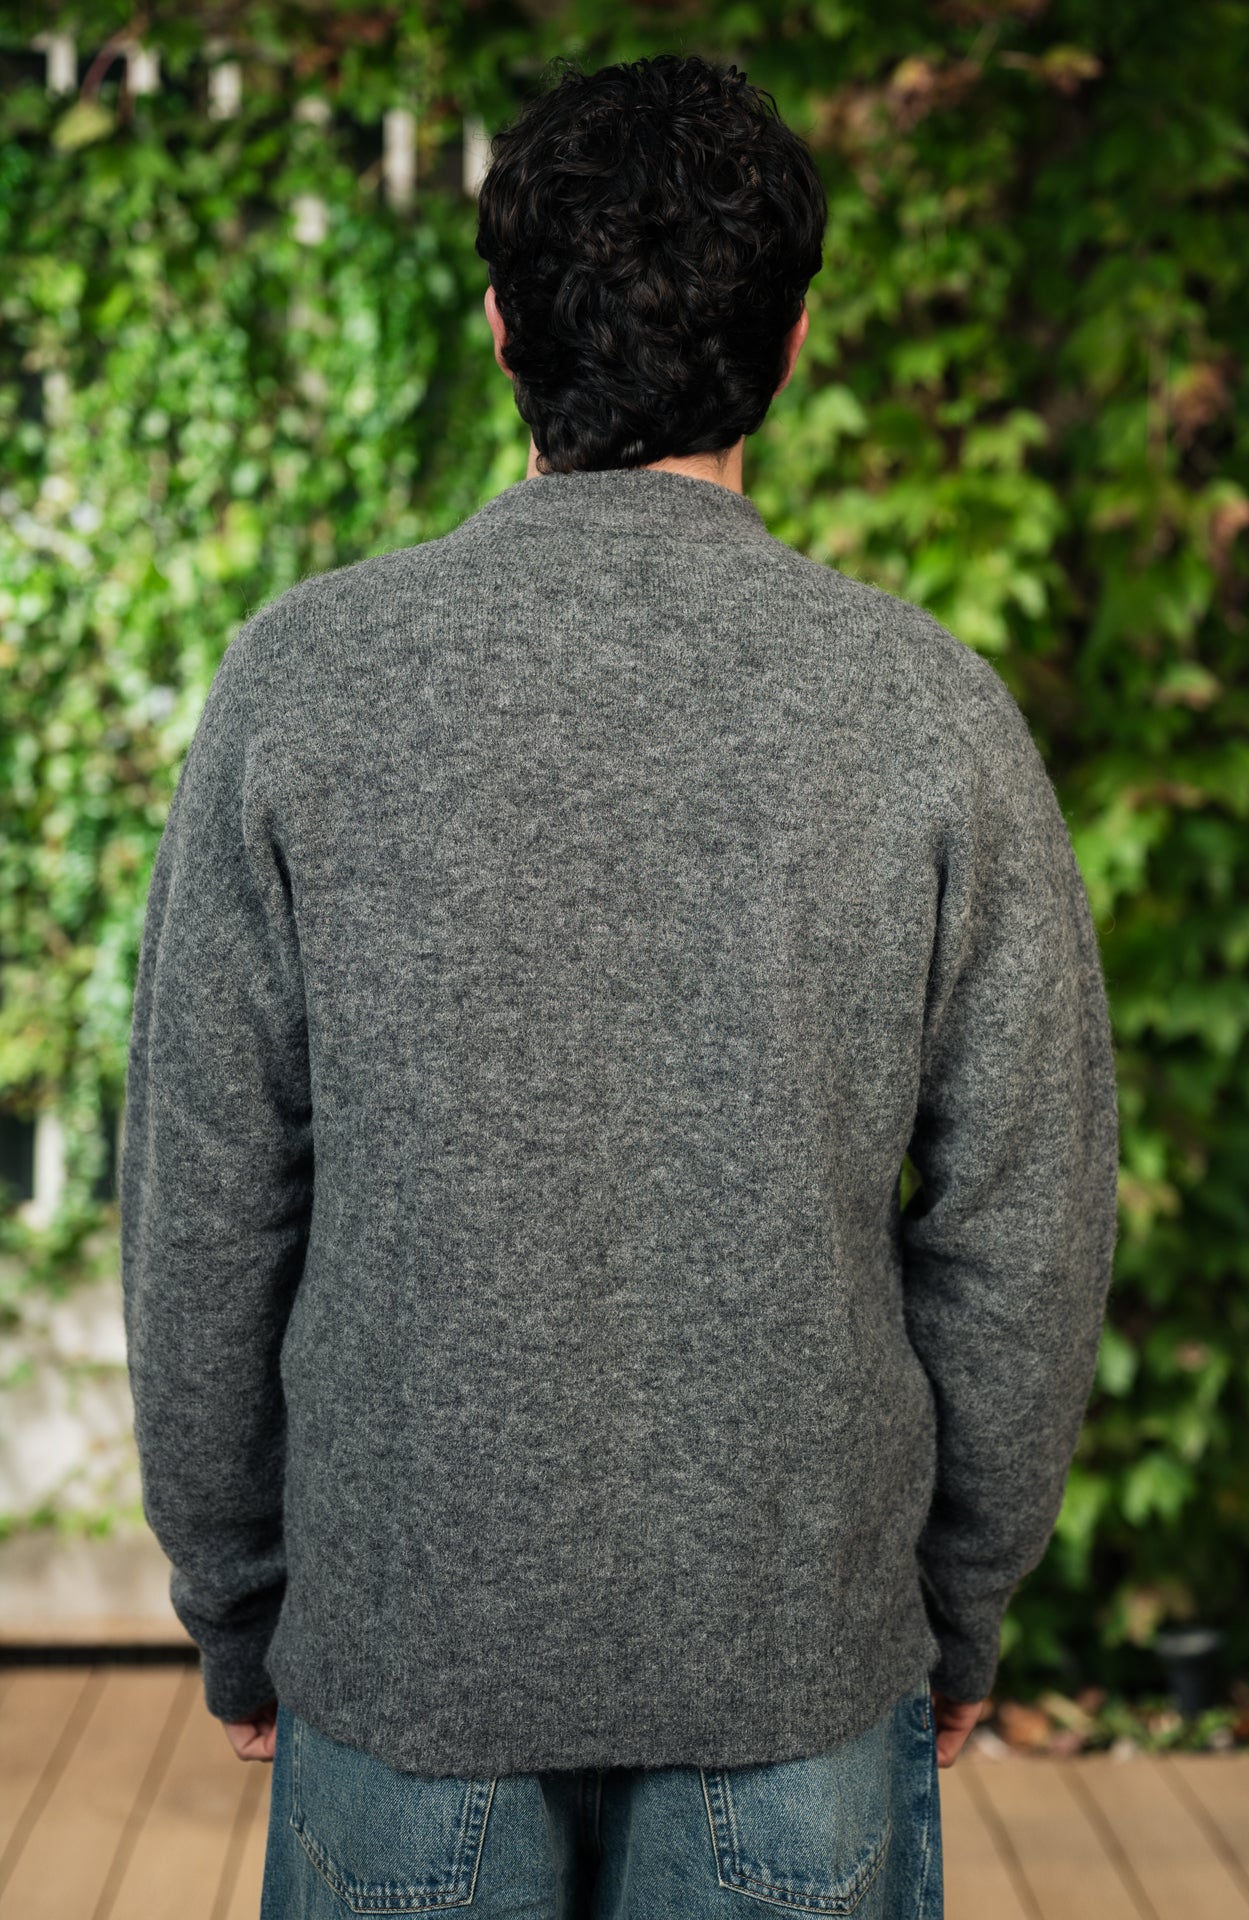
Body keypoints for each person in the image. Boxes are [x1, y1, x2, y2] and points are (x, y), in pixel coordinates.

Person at [120, 51, 1119, 1920]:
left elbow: (205, 1200)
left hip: (405, 1665)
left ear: (502, 328)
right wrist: (955, 1603)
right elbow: (1026, 1230)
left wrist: (239, 1597)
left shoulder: (304, 684)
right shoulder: (927, 711)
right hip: (796, 1668)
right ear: (794, 342)